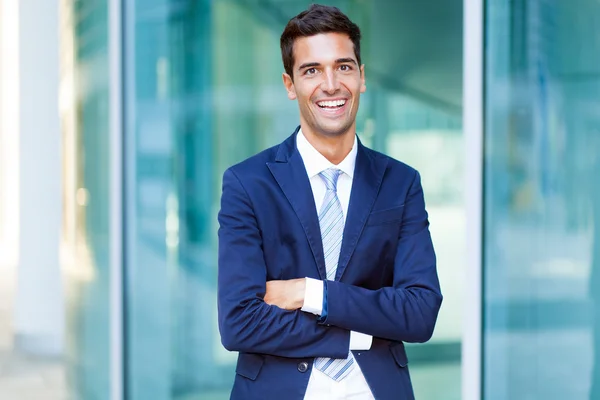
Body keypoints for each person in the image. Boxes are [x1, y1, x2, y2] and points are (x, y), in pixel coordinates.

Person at [217, 4, 442, 399]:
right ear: (290, 85)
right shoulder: (248, 183)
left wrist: (309, 293)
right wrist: (361, 331)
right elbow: (239, 323)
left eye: (343, 66)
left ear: (362, 77)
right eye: (311, 70)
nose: (331, 84)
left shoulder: (401, 183)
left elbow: (420, 312)